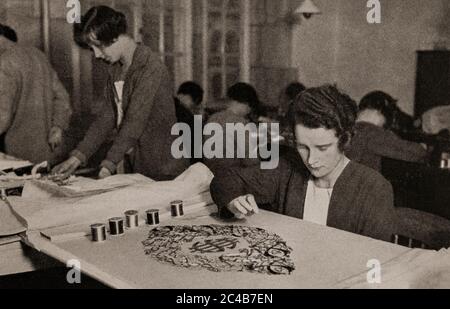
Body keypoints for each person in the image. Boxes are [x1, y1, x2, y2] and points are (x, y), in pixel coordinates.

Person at [210, 85, 395, 242]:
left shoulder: (374, 189)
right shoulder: (287, 170)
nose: (311, 160)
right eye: (302, 147)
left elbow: (376, 265)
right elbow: (226, 179)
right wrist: (233, 202)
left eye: (322, 148)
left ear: (344, 140)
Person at [52, 6, 188, 180]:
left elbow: (135, 121)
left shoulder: (151, 67)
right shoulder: (116, 68)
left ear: (115, 37)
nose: (96, 54)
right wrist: (77, 156)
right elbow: (106, 117)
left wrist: (108, 164)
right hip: (136, 164)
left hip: (164, 167)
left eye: (99, 47)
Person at [0, 24, 72, 163]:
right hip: (48, 150)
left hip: (18, 154)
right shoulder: (37, 54)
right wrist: (58, 126)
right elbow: (62, 97)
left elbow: (2, 115)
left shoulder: (4, 62)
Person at [346, 91, 428, 172]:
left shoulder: (348, 129)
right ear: (378, 112)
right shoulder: (371, 131)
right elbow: (418, 153)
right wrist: (423, 147)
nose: (383, 127)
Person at [203, 82, 262, 174]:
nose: (249, 112)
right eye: (250, 107)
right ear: (247, 104)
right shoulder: (241, 123)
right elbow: (250, 160)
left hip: (210, 175)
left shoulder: (212, 118)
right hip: (232, 177)